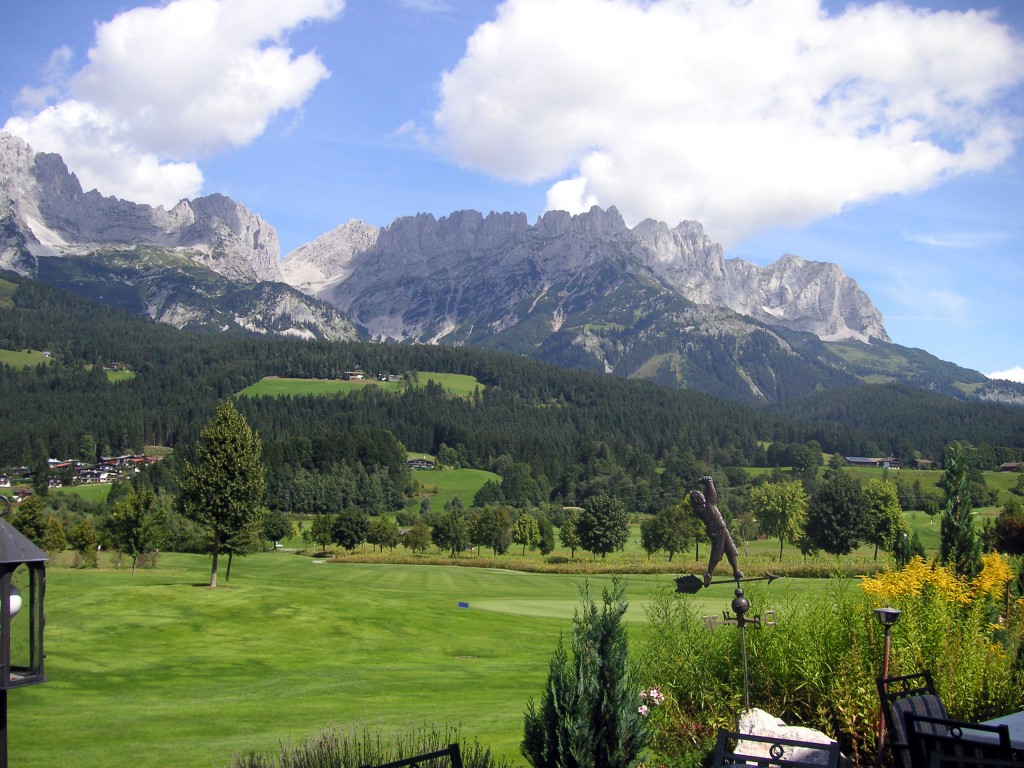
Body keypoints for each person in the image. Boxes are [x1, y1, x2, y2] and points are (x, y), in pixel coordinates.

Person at [690, 475, 743, 587]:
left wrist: (707, 483)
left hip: (721, 528)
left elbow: (709, 496)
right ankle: (708, 574)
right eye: (699, 495)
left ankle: (736, 571)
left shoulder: (704, 506)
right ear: (697, 499)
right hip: (717, 530)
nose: (702, 495)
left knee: (731, 549)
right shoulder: (705, 507)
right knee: (717, 553)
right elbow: (712, 495)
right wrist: (709, 483)